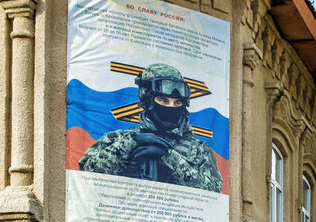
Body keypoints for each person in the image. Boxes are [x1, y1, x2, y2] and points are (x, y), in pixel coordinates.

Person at [79, 63, 222, 192]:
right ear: (147, 100)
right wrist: (127, 145)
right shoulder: (117, 139)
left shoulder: (198, 150)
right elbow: (85, 179)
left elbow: (213, 196)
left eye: (177, 103)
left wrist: (170, 158)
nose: (171, 107)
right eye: (163, 100)